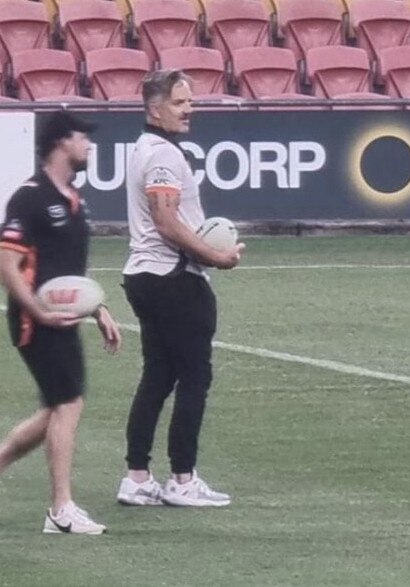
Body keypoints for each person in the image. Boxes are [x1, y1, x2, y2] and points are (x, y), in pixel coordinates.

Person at [116, 70, 244, 507]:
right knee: (194, 377)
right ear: (155, 109)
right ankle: (182, 478)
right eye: (179, 102)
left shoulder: (145, 149)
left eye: (190, 101)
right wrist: (215, 256)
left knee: (156, 377)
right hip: (172, 278)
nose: (189, 109)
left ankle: (136, 477)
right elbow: (166, 221)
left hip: (145, 275)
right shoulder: (164, 156)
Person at [0, 111, 121, 534]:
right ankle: (60, 510)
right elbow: (7, 264)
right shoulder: (29, 198)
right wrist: (37, 312)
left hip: (63, 318)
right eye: (82, 137)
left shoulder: (73, 197)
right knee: (68, 405)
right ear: (59, 143)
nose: (89, 145)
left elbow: (70, 272)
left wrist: (98, 308)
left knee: (56, 408)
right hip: (37, 322)